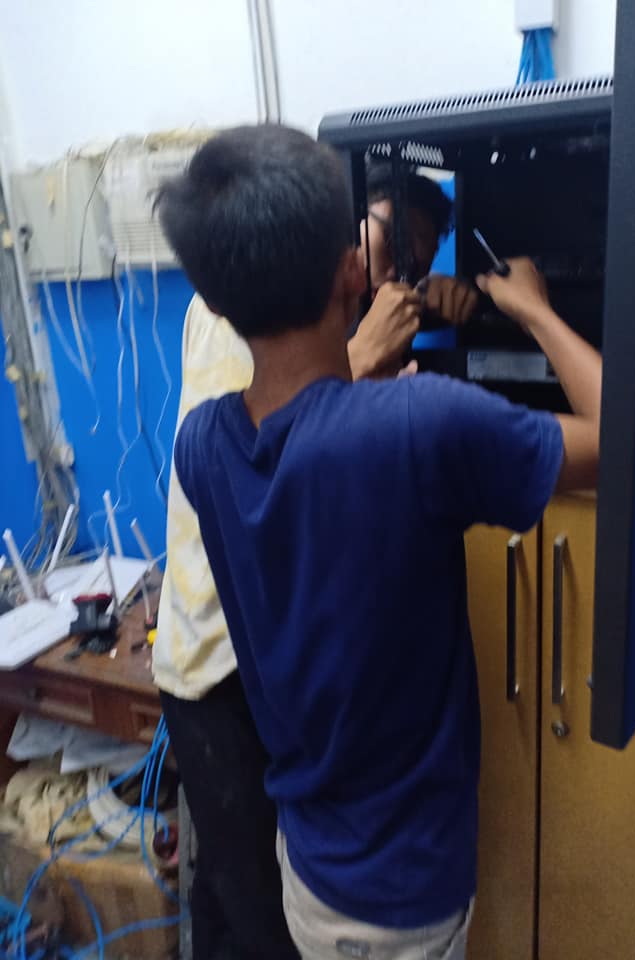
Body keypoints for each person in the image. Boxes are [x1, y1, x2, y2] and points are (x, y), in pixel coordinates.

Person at [155, 124, 601, 960]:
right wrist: (533, 310)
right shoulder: (414, 428)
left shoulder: (202, 445)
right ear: (355, 270)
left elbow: (305, 425)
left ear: (212, 302)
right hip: (400, 901)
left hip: (310, 866)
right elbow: (625, 437)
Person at [153, 160, 478, 958]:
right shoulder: (236, 310)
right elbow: (268, 449)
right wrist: (365, 352)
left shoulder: (333, 312)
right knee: (260, 911)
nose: (383, 271)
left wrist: (432, 308)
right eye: (384, 242)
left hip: (277, 658)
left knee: (230, 887)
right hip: (217, 664)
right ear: (339, 234)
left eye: (409, 261)